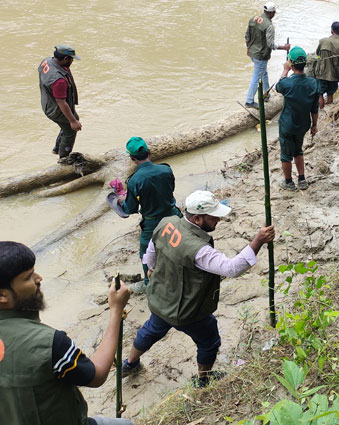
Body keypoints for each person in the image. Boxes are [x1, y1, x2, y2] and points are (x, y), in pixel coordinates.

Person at [122, 191, 275, 387]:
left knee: (151, 329)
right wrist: (258, 241)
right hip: (185, 311)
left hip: (160, 298)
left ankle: (130, 363)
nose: (218, 220)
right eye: (213, 217)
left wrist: (151, 269)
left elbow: (151, 250)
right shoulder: (198, 250)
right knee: (209, 340)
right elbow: (232, 268)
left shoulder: (166, 223)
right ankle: (204, 379)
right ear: (197, 218)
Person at [0, 241, 132, 425]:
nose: (39, 278)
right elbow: (96, 374)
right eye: (29, 277)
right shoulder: (50, 343)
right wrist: (116, 310)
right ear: (2, 295)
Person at [115, 137, 182, 293]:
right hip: (173, 215)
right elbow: (169, 190)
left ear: (132, 158)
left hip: (152, 223)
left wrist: (122, 200)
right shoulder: (166, 169)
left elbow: (130, 208)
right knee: (177, 244)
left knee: (145, 253)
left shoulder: (134, 181)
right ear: (149, 152)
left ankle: (148, 282)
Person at [275, 46, 320, 191]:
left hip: (287, 125)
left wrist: (285, 70)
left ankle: (288, 182)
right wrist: (314, 125)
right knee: (298, 150)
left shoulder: (287, 84)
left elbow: (278, 87)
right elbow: (314, 108)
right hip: (303, 124)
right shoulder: (313, 83)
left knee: (285, 155)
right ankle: (302, 179)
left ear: (291, 64)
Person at [38, 44, 82, 160]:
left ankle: (57, 148)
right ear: (65, 59)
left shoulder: (46, 61)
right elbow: (61, 102)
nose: (73, 61)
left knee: (70, 122)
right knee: (71, 130)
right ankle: (63, 159)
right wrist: (73, 121)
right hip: (56, 108)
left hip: (47, 102)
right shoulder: (59, 81)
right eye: (72, 59)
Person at [244, 2, 291, 109]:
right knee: (256, 78)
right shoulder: (269, 26)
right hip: (261, 55)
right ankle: (249, 100)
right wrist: (284, 47)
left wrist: (248, 48)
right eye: (274, 13)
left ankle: (266, 94)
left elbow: (247, 36)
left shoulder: (253, 19)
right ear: (271, 13)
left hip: (252, 52)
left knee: (264, 73)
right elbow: (270, 44)